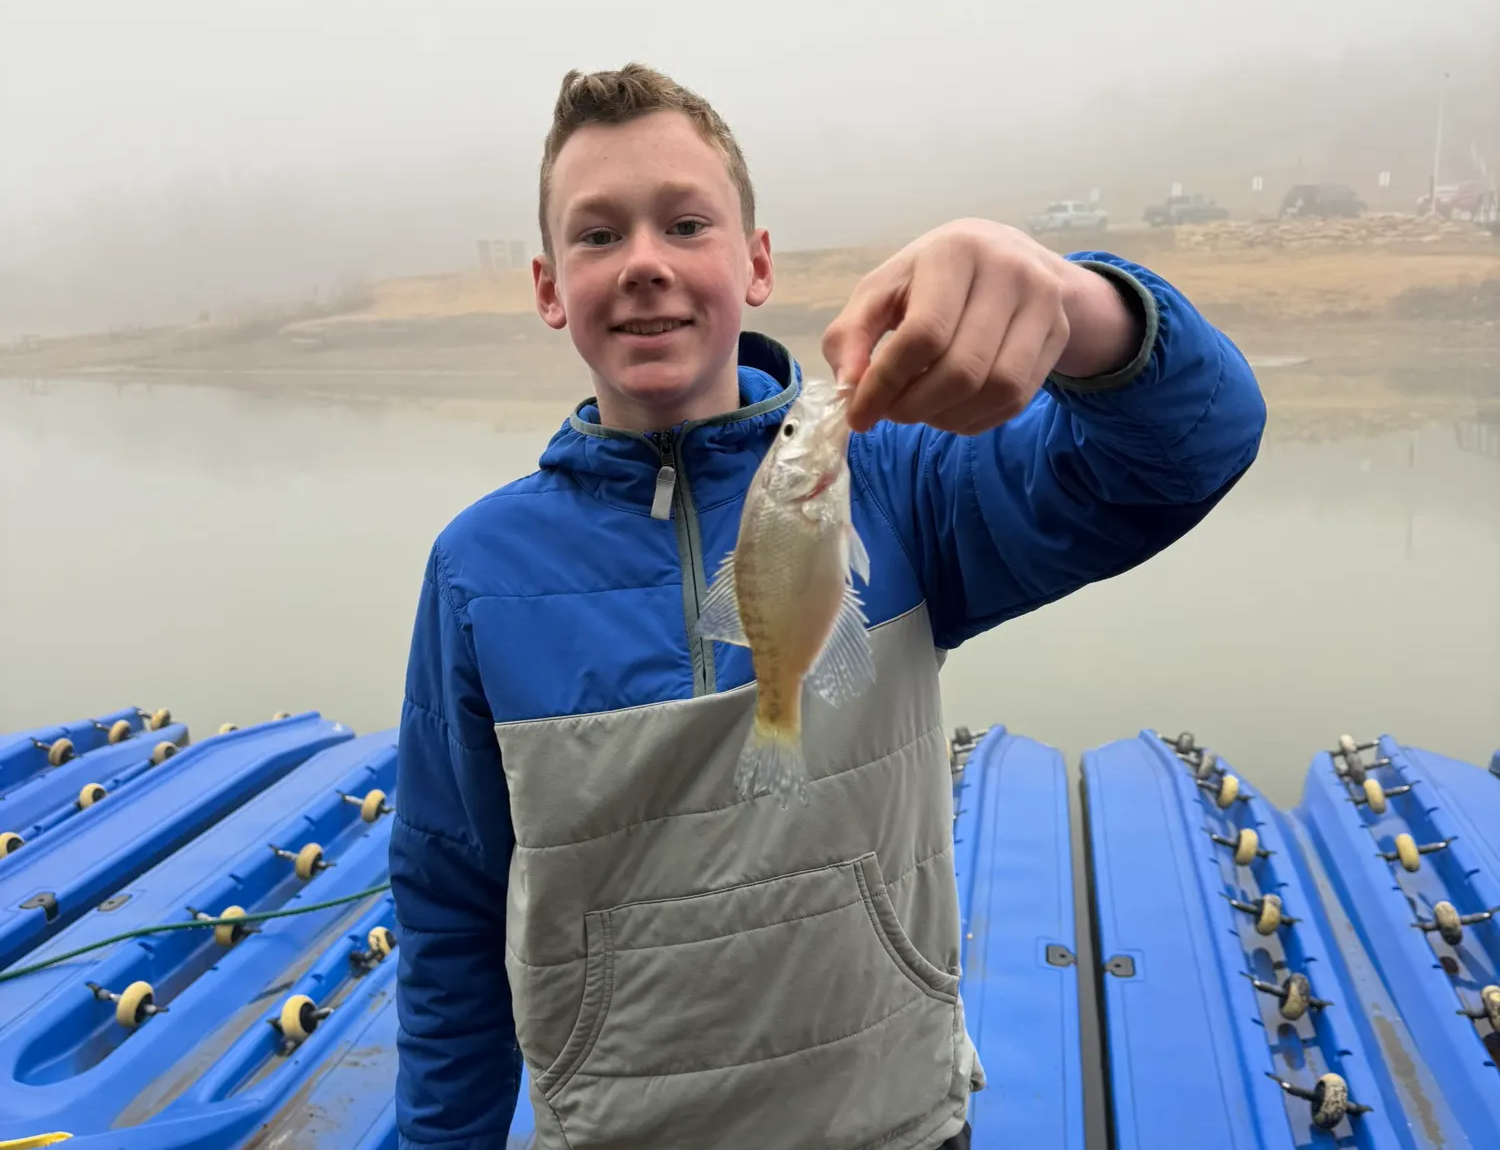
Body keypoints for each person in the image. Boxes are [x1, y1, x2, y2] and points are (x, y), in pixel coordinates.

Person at [390, 64, 1266, 1150]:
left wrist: (1084, 309)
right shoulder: (480, 570)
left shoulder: (894, 481)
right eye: (599, 234)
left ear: (756, 263)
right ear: (548, 286)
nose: (648, 263)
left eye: (688, 222)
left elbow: (1190, 453)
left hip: (892, 1121)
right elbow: (447, 902)